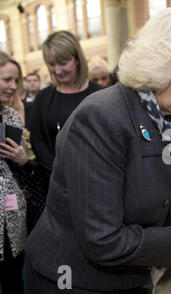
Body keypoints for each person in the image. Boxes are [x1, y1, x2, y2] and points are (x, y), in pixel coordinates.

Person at [24, 4, 171, 294]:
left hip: (126, 280)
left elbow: (150, 190)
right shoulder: (100, 118)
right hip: (74, 286)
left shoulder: (160, 113)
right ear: (160, 61)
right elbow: (103, 241)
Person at [30, 30, 102, 210]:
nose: (57, 70)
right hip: (55, 185)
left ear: (77, 59)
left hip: (97, 183)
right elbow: (37, 139)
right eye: (52, 64)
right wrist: (56, 171)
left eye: (63, 63)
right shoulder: (43, 97)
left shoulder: (98, 93)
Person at [0, 51, 29, 294]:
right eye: (7, 79)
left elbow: (25, 173)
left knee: (13, 279)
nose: (13, 87)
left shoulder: (11, 117)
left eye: (15, 80)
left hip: (12, 215)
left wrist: (23, 160)